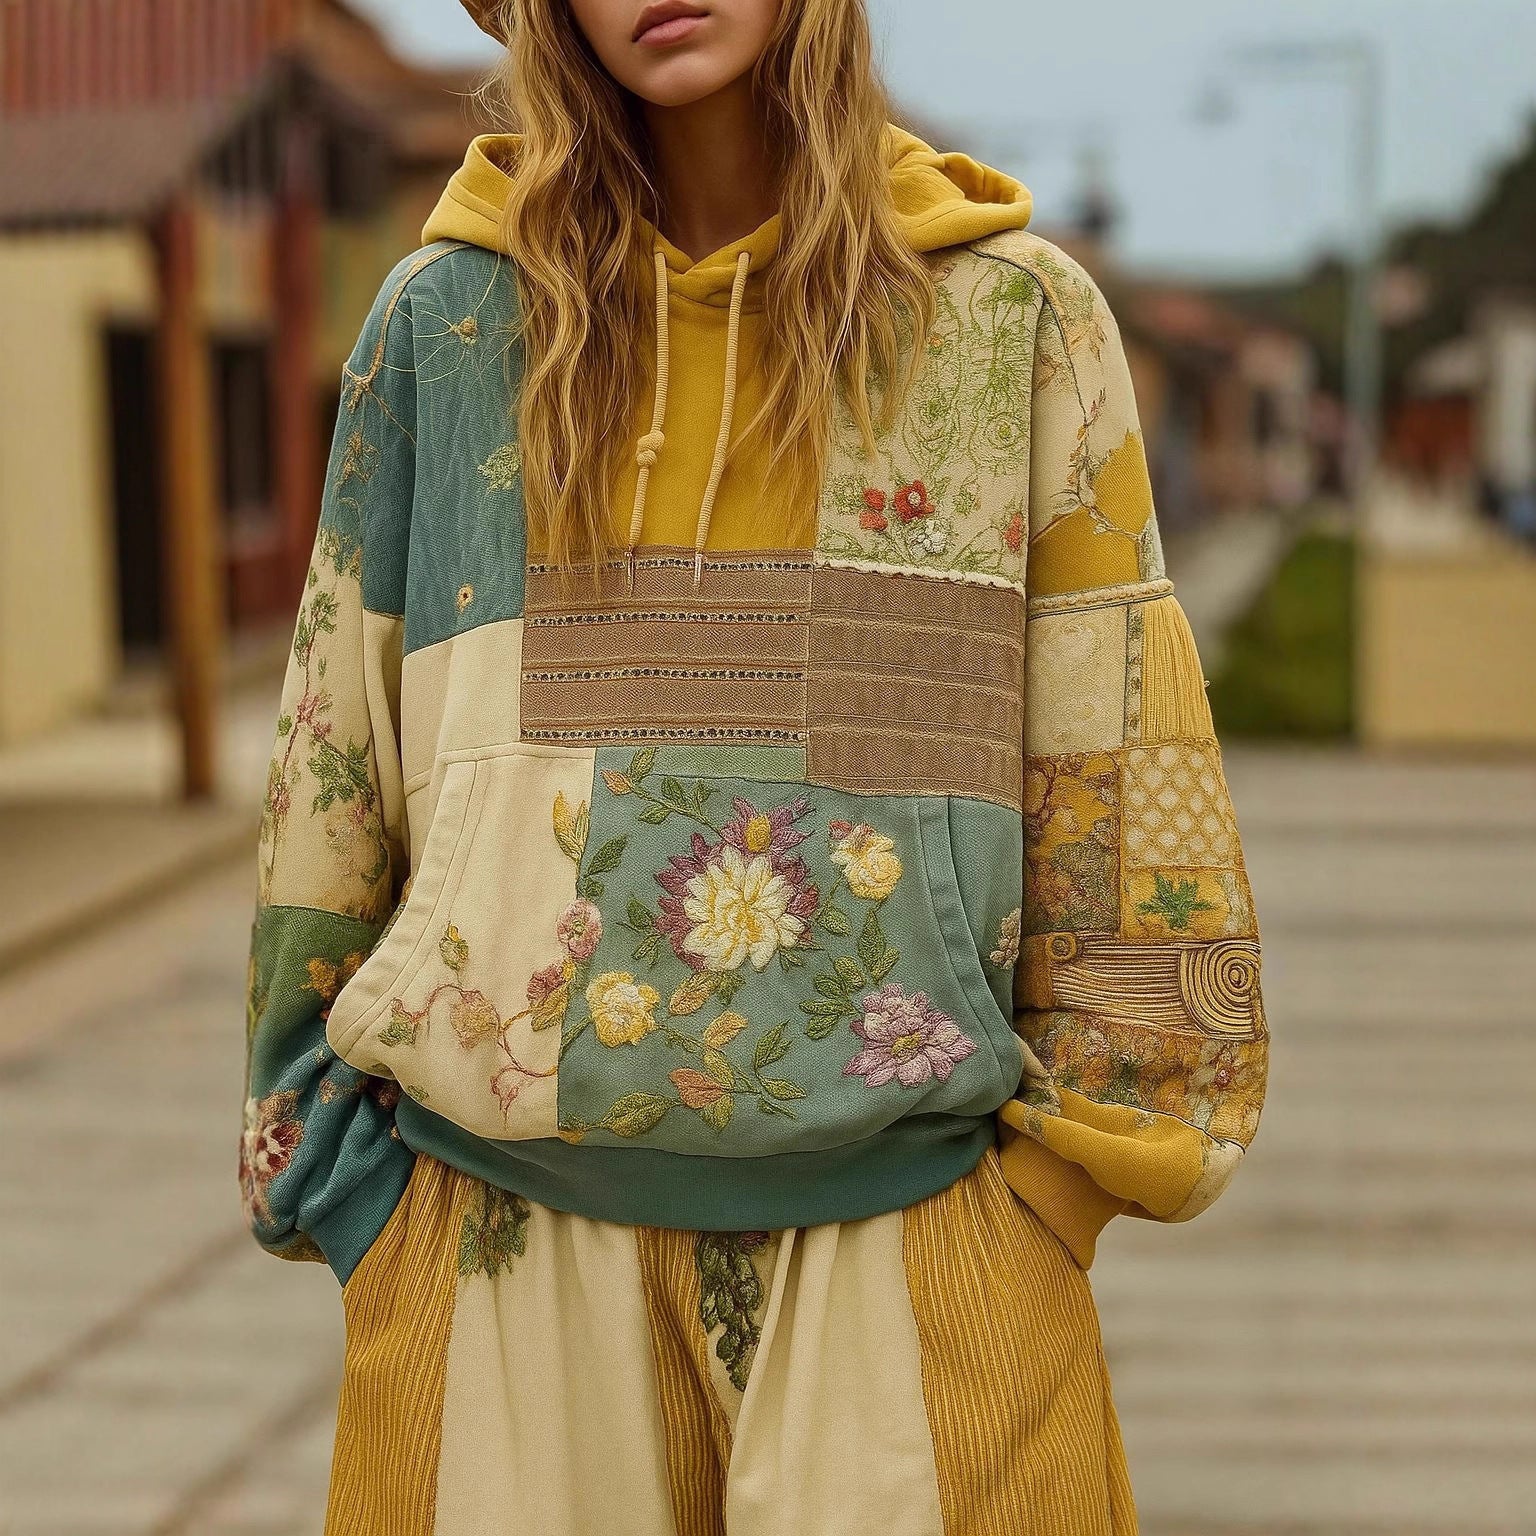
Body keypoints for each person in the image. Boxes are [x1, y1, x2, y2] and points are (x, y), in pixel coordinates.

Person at [239, 1, 1270, 1530]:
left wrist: (1059, 1195)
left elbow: (1124, 764)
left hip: (916, 1244)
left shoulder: (1011, 322)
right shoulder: (443, 331)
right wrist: (343, 1188)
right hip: (499, 1243)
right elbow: (332, 765)